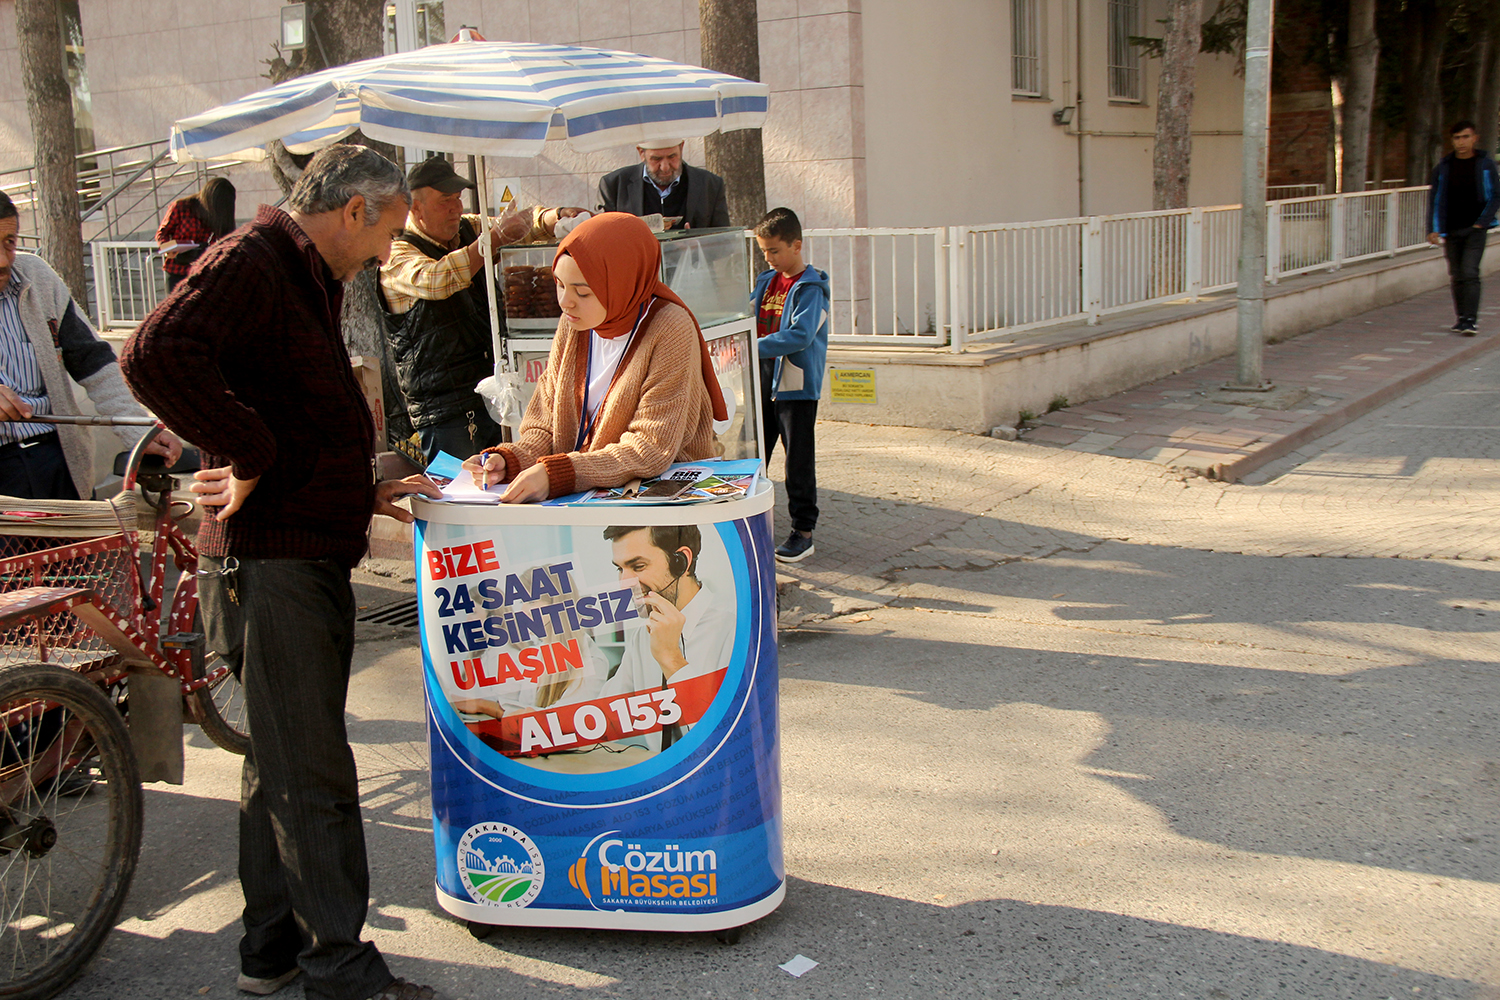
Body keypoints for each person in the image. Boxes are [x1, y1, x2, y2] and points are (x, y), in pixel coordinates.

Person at [120, 145, 447, 1000]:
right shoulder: (253, 260)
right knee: (312, 769)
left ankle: (269, 949)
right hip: (274, 561)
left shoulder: (302, 274)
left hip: (301, 547)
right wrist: (246, 448)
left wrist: (363, 477)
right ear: (353, 211)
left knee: (278, 757)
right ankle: (339, 967)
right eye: (386, 233)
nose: (386, 255)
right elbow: (153, 354)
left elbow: (295, 410)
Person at [463, 212, 728, 502]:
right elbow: (544, 423)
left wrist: (560, 473)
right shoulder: (575, 324)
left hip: (660, 502)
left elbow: (650, 447)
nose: (565, 302)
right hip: (588, 499)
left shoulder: (670, 328)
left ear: (622, 283)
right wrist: (511, 460)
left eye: (583, 292)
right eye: (560, 285)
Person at [379, 155, 592, 461]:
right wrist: (491, 242)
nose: (456, 208)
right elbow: (436, 279)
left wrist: (553, 216)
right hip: (444, 410)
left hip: (488, 393)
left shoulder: (466, 228)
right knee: (460, 496)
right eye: (444, 201)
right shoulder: (396, 254)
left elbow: (519, 224)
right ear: (415, 207)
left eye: (457, 199)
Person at [0, 191, 181, 499]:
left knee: (79, 548)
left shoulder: (36, 276)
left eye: (9, 242)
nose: (4, 260)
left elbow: (93, 360)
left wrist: (137, 428)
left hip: (59, 460)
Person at [596, 523, 735, 753]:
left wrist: (671, 659)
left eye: (638, 566)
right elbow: (606, 716)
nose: (624, 583)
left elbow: (722, 742)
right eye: (620, 569)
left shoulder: (732, 628)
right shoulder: (643, 635)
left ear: (681, 561)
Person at [752, 207, 830, 564]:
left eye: (774, 250)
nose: (768, 258)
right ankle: (751, 522)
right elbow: (746, 316)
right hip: (761, 381)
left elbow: (799, 336)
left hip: (796, 388)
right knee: (754, 456)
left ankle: (803, 532)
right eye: (764, 251)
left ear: (796, 245)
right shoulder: (766, 281)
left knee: (797, 461)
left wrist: (751, 347)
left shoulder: (812, 289)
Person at [1427, 119, 1500, 335]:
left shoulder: (1485, 165)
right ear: (1452, 140)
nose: (1461, 142)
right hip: (1451, 229)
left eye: (1466, 137)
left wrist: (1482, 223)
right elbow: (1436, 199)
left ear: (1475, 138)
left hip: (1475, 229)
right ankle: (1461, 318)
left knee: (1470, 271)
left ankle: (1470, 320)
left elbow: (1496, 196)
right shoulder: (1443, 167)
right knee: (1457, 274)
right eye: (1457, 138)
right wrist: (1433, 228)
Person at [597, 141, 730, 231]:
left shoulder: (710, 184)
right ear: (641, 153)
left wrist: (698, 246)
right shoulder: (614, 185)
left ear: (681, 148)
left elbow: (725, 241)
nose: (665, 167)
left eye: (672, 157)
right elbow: (605, 239)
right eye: (656, 159)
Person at [156, 176, 236, 292]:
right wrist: (167, 248)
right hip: (177, 269)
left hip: (200, 271)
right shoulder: (181, 207)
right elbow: (162, 233)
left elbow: (223, 238)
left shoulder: (216, 216)